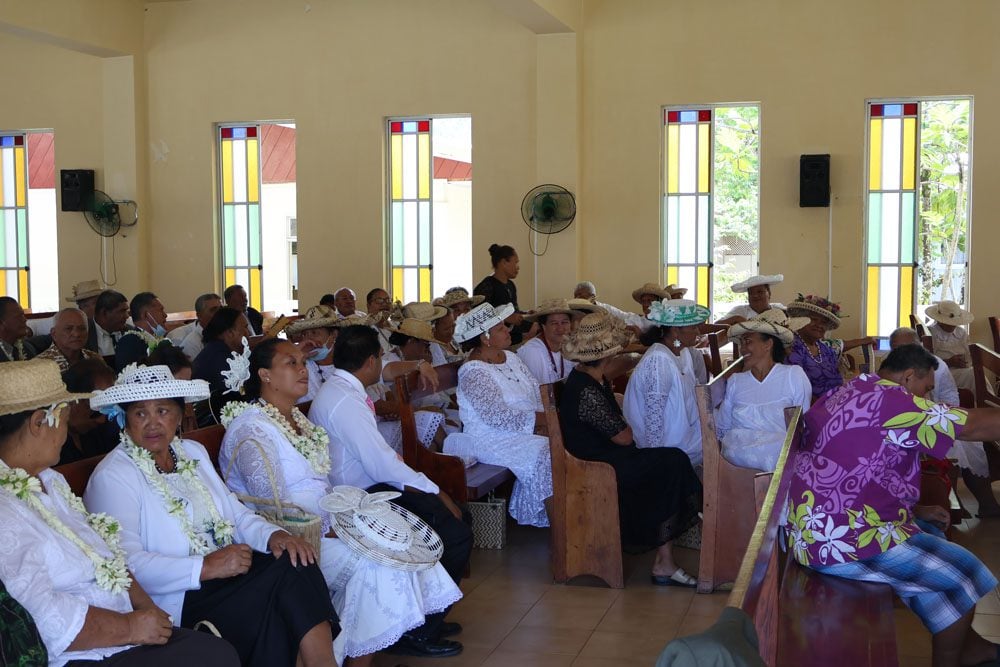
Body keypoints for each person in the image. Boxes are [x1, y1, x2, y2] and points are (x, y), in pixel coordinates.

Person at [219, 339, 464, 664]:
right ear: (265, 374)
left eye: (302, 362)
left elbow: (324, 484)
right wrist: (339, 530)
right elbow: (272, 510)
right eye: (290, 363)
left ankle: (347, 653)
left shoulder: (296, 420)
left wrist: (354, 519)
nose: (302, 369)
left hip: (327, 520)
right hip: (288, 539)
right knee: (377, 562)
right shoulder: (252, 429)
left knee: (400, 541)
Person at [84, 365, 337, 667]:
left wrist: (274, 535)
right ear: (125, 419)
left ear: (179, 415)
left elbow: (235, 513)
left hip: (229, 573)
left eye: (163, 411)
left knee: (297, 561)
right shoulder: (114, 476)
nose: (152, 423)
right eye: (140, 413)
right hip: (180, 595)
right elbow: (127, 566)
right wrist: (205, 567)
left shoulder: (191, 451)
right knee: (282, 584)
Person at [0, 359, 240, 667]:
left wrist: (148, 611)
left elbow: (109, 557)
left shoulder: (51, 481)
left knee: (217, 647)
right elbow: (42, 617)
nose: (66, 428)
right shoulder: (6, 509)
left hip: (125, 627)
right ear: (38, 422)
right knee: (216, 654)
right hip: (79, 653)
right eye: (63, 415)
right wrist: (131, 627)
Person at [785, 344, 1000, 667]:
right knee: (962, 573)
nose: (926, 399)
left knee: (932, 537)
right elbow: (973, 426)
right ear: (909, 377)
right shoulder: (894, 402)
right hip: (839, 541)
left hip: (812, 526)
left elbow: (857, 463)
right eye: (926, 390)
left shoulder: (851, 389)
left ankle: (973, 647)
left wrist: (913, 510)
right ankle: (955, 659)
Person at [308, 325, 472, 658]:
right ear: (368, 361)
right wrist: (434, 490)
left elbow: (384, 373)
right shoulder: (345, 402)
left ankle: (424, 615)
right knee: (454, 532)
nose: (381, 363)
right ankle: (418, 631)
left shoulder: (342, 384)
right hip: (358, 496)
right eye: (379, 357)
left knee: (457, 518)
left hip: (370, 485)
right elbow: (382, 464)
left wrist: (415, 365)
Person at [559, 312, 703, 586]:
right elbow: (624, 437)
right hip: (596, 464)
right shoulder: (586, 387)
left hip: (608, 456)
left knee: (672, 462)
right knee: (672, 461)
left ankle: (666, 558)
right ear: (607, 355)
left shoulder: (592, 377)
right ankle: (668, 555)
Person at [444, 303, 553, 527]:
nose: (508, 331)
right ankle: (555, 518)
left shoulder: (509, 357)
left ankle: (565, 510)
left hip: (521, 430)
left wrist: (544, 422)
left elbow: (533, 390)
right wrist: (546, 423)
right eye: (502, 328)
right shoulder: (473, 371)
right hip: (490, 438)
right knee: (547, 450)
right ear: (485, 337)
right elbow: (498, 416)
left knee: (560, 442)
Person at [889, 327, 1000, 518]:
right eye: (896, 348)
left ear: (918, 346)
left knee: (969, 443)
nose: (902, 353)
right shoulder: (890, 369)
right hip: (912, 425)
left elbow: (951, 397)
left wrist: (934, 408)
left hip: (937, 415)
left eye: (907, 347)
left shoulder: (936, 365)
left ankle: (985, 502)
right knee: (949, 443)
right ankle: (951, 502)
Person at [717, 309, 812, 471]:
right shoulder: (735, 381)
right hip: (738, 463)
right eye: (741, 343)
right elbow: (723, 427)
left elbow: (802, 425)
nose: (743, 349)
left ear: (768, 344)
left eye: (748, 341)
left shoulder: (792, 375)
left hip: (780, 463)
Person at [623, 299, 710, 465]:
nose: (698, 331)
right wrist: (659, 465)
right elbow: (653, 423)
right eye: (693, 327)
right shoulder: (658, 361)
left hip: (682, 432)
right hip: (667, 447)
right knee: (725, 433)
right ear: (676, 331)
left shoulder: (682, 352)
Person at [785, 294, 873, 400]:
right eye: (813, 319)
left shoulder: (825, 349)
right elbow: (797, 388)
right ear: (801, 320)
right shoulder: (791, 347)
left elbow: (842, 346)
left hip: (834, 405)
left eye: (823, 322)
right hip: (809, 409)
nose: (819, 325)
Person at [59, 358, 119, 465]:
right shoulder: (50, 443)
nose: (101, 420)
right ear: (70, 398)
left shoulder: (104, 431)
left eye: (107, 409)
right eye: (93, 409)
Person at [473, 244, 534, 344]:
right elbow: (478, 318)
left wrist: (525, 314)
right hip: (494, 342)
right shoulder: (486, 286)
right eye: (516, 262)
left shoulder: (511, 285)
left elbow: (513, 311)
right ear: (504, 263)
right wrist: (504, 317)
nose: (518, 268)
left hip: (513, 337)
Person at [286, 305, 340, 404]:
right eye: (304, 334)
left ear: (333, 335)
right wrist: (297, 357)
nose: (308, 340)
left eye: (314, 333)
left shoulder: (348, 365)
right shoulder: (298, 366)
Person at [517, 299, 578, 385]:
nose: (560, 328)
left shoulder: (570, 346)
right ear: (544, 327)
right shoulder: (532, 352)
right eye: (554, 323)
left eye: (564, 322)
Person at [925, 300, 976, 392]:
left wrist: (967, 361)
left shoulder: (961, 333)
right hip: (942, 373)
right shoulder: (931, 333)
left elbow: (969, 355)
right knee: (973, 375)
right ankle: (988, 402)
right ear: (940, 321)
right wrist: (949, 362)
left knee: (975, 373)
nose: (952, 325)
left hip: (962, 371)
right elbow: (927, 364)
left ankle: (986, 402)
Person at [116, 292, 170, 370]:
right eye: (161, 310)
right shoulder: (129, 342)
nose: (165, 315)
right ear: (145, 315)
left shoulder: (161, 339)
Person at [36, 308, 102, 371]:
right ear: (54, 334)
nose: (76, 334)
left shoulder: (95, 359)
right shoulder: (39, 365)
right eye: (68, 329)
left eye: (82, 328)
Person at [167, 293, 223, 361]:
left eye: (221, 309)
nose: (219, 313)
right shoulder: (192, 343)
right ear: (199, 315)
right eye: (213, 310)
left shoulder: (225, 335)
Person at [715, 274, 785, 325]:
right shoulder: (740, 310)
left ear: (769, 293)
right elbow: (716, 325)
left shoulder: (777, 308)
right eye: (751, 293)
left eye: (760, 292)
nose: (755, 296)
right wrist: (736, 319)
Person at [88, 290, 136, 357]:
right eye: (122, 311)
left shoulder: (131, 332)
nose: (127, 316)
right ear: (104, 313)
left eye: (126, 311)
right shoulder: (85, 333)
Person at [0, 297, 36, 362]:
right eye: (18, 316)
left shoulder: (27, 348)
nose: (24, 320)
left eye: (23, 315)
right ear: (1, 322)